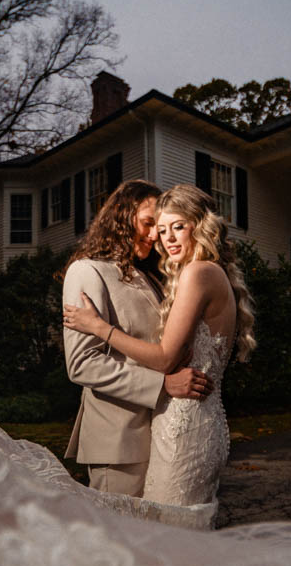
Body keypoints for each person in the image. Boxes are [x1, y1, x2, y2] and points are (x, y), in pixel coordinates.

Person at [64, 185, 255, 508]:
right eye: (150, 224)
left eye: (169, 226)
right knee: (123, 542)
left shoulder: (161, 278)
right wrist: (163, 385)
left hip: (170, 431)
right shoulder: (88, 271)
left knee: (159, 539)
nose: (156, 237)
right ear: (122, 218)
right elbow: (83, 364)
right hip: (119, 440)